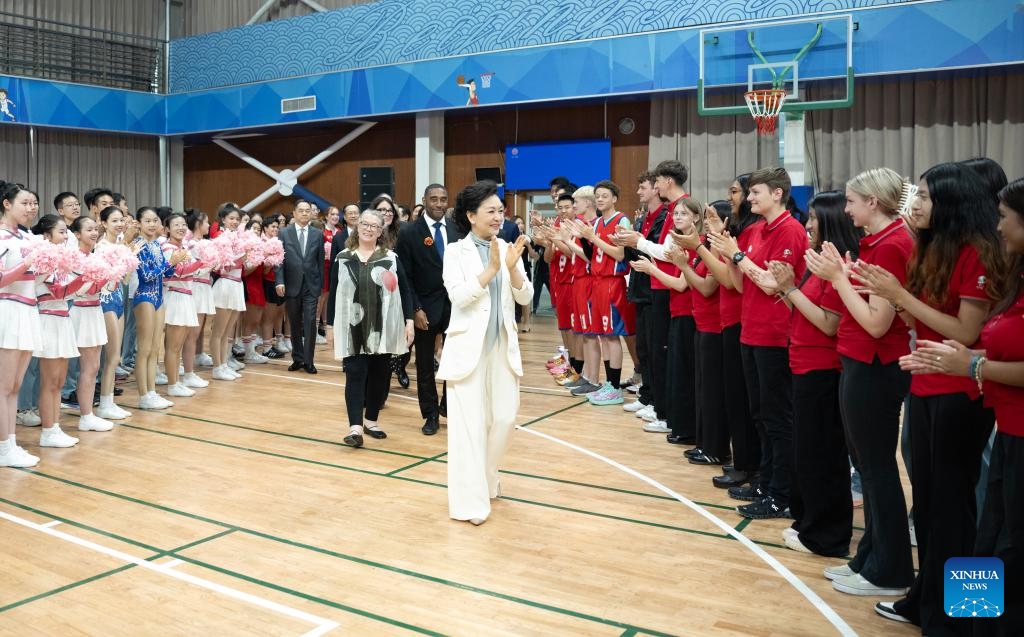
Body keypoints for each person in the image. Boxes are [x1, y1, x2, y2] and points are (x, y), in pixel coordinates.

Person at [855, 163, 1005, 633]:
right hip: (926, 383)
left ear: (953, 203)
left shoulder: (977, 253)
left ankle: (967, 614)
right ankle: (928, 599)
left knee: (959, 510)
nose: (914, 204)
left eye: (924, 196)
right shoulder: (932, 247)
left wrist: (898, 294)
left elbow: (965, 329)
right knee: (934, 506)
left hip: (962, 392)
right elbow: (921, 321)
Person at [902, 176, 1024, 637]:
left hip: (970, 401)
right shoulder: (992, 265)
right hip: (982, 408)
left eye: (1007, 217)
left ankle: (956, 620)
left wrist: (971, 365)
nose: (1000, 225)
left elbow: (969, 334)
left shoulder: (980, 255)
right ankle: (950, 613)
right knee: (966, 523)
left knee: (970, 522)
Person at [807, 167, 916, 597]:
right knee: (869, 469)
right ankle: (872, 555)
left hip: (875, 363)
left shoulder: (892, 245)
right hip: (858, 361)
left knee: (876, 469)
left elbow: (876, 323)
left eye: (852, 200)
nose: (846, 208)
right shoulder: (877, 243)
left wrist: (837, 279)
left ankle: (890, 570)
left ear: (873, 202)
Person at [763, 191, 862, 556]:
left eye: (813, 223)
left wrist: (789, 288)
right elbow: (803, 309)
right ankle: (809, 524)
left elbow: (827, 323)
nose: (807, 228)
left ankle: (828, 536)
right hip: (803, 362)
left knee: (823, 454)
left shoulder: (840, 264)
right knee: (808, 452)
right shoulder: (818, 262)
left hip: (824, 367)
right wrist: (787, 286)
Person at [438, 180, 532, 525]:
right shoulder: (454, 251)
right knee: (468, 427)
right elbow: (459, 297)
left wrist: (510, 268)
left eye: (500, 211)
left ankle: (488, 476)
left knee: (505, 418)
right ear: (471, 215)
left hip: (502, 347)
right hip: (467, 349)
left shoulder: (507, 246)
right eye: (491, 211)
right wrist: (491, 269)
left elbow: (525, 298)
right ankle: (469, 503)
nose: (498, 217)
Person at [330, 209, 414, 447]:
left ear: (380, 231)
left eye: (374, 226)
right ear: (358, 227)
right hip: (352, 325)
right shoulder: (343, 257)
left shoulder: (391, 258)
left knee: (379, 375)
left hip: (384, 325)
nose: (368, 229)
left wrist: (409, 321)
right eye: (364, 224)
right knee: (355, 374)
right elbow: (334, 292)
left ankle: (371, 421)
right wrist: (329, 325)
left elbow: (405, 291)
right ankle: (354, 428)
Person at [395, 184, 461, 435]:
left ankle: (448, 406)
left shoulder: (457, 228)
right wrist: (415, 309)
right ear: (424, 200)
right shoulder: (410, 232)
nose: (439, 204)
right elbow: (405, 276)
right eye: (433, 199)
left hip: (456, 306)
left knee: (454, 361)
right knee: (424, 365)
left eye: (443, 199)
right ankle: (430, 414)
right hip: (425, 307)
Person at [30, 215, 83, 448]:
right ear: (46, 236)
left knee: (59, 381)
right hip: (48, 319)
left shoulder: (62, 261)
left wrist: (87, 279)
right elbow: (57, 293)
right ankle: (48, 430)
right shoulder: (42, 262)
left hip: (63, 319)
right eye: (61, 232)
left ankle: (55, 427)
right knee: (50, 381)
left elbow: (69, 293)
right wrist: (83, 279)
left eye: (66, 232)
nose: (66, 236)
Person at [0, 184, 43, 468]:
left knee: (15, 385)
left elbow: (33, 282)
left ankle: (11, 443)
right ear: (6, 204)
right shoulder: (2, 237)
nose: (31, 208)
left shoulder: (27, 236)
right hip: (8, 310)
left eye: (33, 203)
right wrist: (29, 261)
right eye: (25, 203)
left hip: (28, 310)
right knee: (4, 386)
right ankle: (4, 448)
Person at [95, 205, 138, 421]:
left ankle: (108, 401)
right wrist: (124, 254)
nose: (120, 224)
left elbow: (125, 280)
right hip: (105, 300)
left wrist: (128, 259)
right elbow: (105, 279)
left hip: (118, 298)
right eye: (114, 220)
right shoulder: (101, 247)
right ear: (103, 223)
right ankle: (104, 402)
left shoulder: (121, 246)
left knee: (115, 356)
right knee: (111, 356)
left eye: (121, 220)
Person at [276, 199, 324, 374]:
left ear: (311, 214)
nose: (305, 213)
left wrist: (319, 285)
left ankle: (309, 361)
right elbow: (279, 261)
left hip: (311, 285)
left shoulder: (317, 234)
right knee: (294, 321)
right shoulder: (284, 233)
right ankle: (297, 358)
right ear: (294, 213)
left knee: (310, 322)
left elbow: (319, 262)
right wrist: (279, 281)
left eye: (307, 211)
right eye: (301, 210)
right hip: (291, 284)